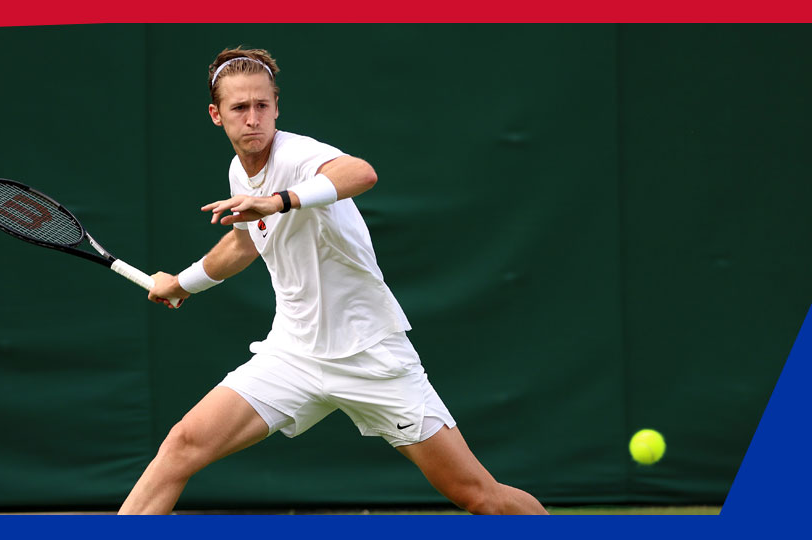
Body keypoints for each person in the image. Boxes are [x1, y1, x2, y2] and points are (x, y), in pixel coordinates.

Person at [117, 47, 548, 515]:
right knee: (182, 445)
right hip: (293, 353)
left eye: (263, 105)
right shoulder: (240, 171)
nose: (253, 118)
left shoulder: (300, 155)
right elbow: (243, 244)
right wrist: (182, 284)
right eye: (240, 108)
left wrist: (281, 200)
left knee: (477, 495)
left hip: (370, 354)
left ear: (276, 106)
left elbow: (360, 173)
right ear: (216, 115)